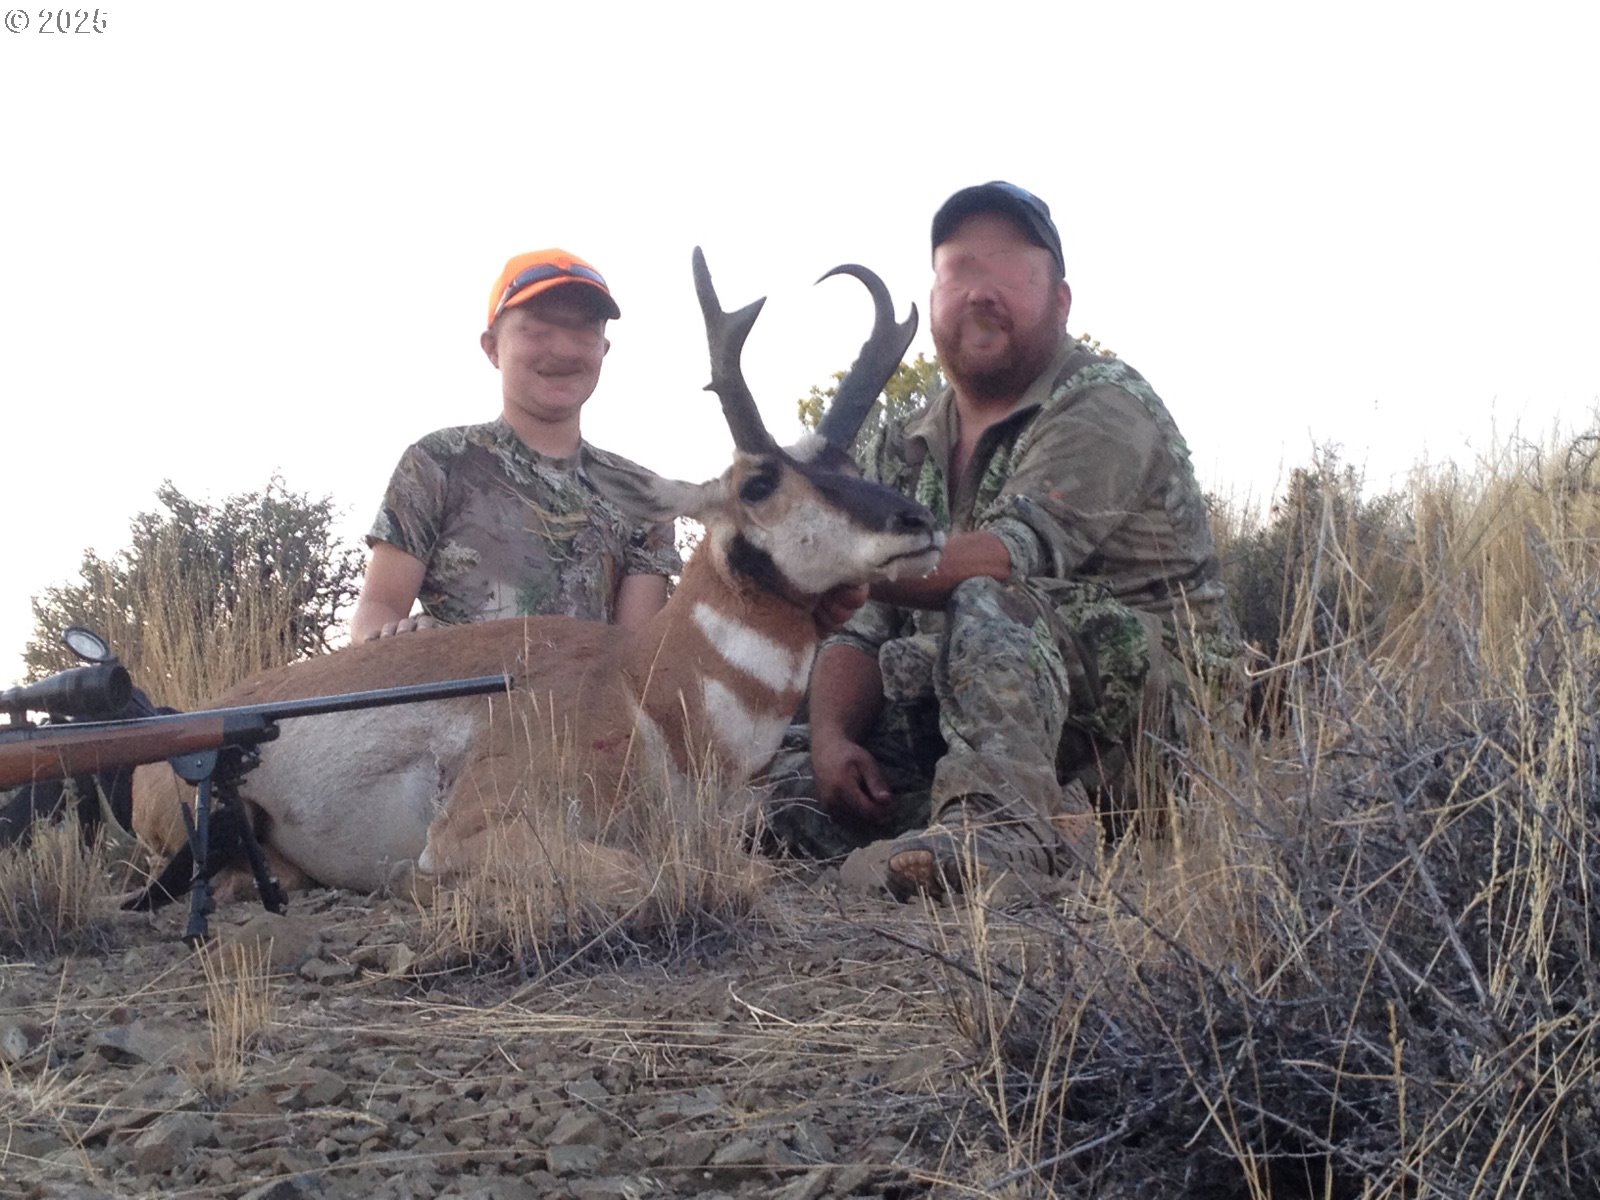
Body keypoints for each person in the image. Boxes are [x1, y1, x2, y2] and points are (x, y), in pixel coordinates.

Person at [759, 182, 1240, 900]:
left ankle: (1001, 834)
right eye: (959, 272)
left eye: (1012, 272)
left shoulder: (1106, 404)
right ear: (934, 297)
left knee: (989, 594)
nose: (981, 292)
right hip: (975, 723)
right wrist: (832, 741)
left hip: (1152, 739)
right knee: (779, 787)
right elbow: (865, 621)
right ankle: (1027, 834)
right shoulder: (910, 438)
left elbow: (1006, 554)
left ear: (1062, 300)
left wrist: (829, 561)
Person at [350, 249, 680, 643]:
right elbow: (376, 612)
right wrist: (397, 643)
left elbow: (638, 656)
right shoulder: (437, 462)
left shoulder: (643, 496)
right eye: (537, 330)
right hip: (449, 696)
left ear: (603, 350)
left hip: (582, 703)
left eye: (585, 332)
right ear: (491, 347)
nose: (564, 350)